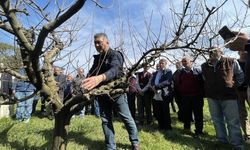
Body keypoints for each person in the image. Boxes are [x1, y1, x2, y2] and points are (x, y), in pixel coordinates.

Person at [82, 33, 139, 150]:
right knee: (106, 120)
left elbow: (115, 69)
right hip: (102, 94)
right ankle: (110, 147)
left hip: (116, 93)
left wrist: (100, 78)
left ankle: (135, 143)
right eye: (95, 43)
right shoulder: (97, 59)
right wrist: (85, 81)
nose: (97, 45)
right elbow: (92, 73)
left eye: (99, 42)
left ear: (107, 42)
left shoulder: (115, 54)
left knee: (126, 118)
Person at [201, 47, 244, 149]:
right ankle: (222, 142)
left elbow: (240, 75)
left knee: (233, 121)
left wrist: (233, 87)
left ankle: (237, 144)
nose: (212, 52)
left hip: (229, 96)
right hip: (212, 97)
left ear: (221, 52)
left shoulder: (231, 61)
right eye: (210, 51)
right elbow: (204, 78)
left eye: (215, 50)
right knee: (217, 120)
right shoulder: (204, 65)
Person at [175, 57, 204, 137]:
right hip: (185, 97)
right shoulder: (181, 73)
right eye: (183, 61)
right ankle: (187, 128)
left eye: (185, 61)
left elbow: (202, 83)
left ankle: (198, 131)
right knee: (186, 113)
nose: (184, 63)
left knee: (198, 114)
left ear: (191, 62)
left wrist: (202, 94)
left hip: (197, 97)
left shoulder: (198, 71)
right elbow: (178, 84)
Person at [148, 59, 173, 130]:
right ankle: (161, 125)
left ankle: (167, 127)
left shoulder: (168, 71)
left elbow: (167, 82)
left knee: (165, 111)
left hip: (164, 93)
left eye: (162, 63)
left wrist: (156, 86)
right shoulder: (156, 73)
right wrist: (153, 87)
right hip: (156, 93)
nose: (160, 65)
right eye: (160, 63)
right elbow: (152, 81)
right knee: (158, 110)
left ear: (166, 64)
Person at [236, 51, 250, 141]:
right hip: (239, 91)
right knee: (242, 113)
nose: (244, 52)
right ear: (238, 52)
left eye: (245, 50)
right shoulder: (235, 63)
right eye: (241, 50)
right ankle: (248, 134)